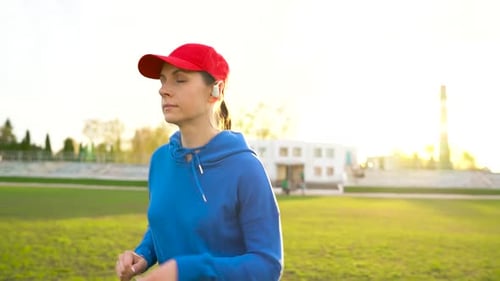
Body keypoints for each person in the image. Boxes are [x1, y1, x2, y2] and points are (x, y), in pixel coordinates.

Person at [115, 43, 284, 281]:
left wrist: (186, 271)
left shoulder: (246, 168)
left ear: (216, 90)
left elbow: (267, 265)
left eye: (180, 80)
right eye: (163, 81)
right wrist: (144, 254)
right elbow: (164, 223)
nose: (164, 90)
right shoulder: (160, 160)